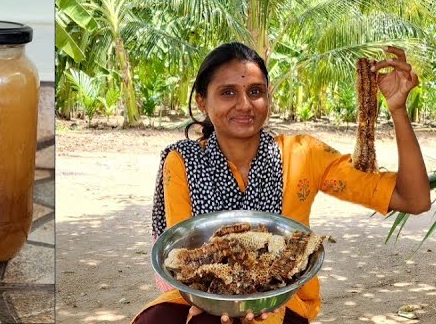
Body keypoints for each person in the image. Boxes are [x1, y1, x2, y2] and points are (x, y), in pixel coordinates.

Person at [134, 42, 430, 323]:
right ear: (202, 101)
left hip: (282, 300)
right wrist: (222, 298)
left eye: (255, 91)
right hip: (202, 296)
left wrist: (398, 110)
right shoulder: (182, 161)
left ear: (268, 96)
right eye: (227, 93)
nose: (244, 104)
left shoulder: (303, 155)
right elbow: (184, 257)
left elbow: (413, 200)